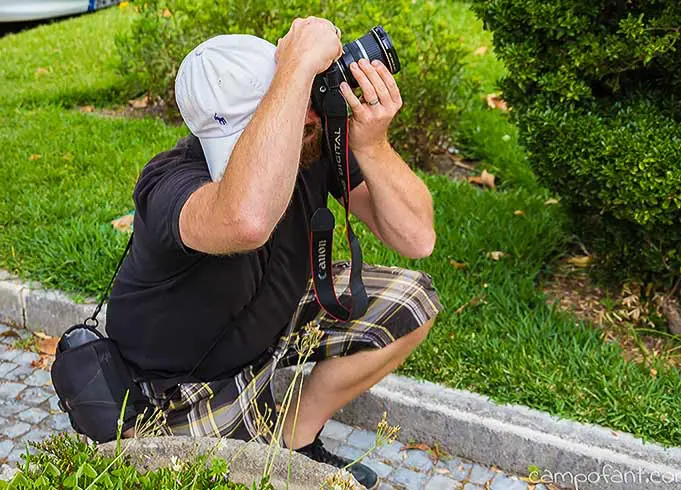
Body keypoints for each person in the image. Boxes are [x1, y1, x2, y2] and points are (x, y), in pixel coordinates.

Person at [106, 16, 442, 489]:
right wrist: (295, 70)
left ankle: (293, 436)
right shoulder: (169, 184)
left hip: (269, 328)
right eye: (287, 107)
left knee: (412, 302)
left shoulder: (312, 140)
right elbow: (247, 221)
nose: (307, 117)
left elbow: (416, 238)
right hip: (182, 388)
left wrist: (373, 144)